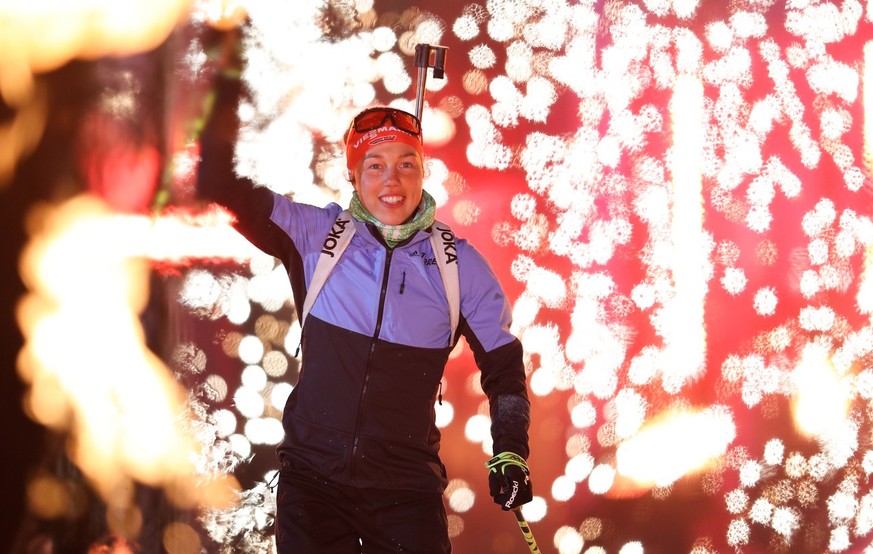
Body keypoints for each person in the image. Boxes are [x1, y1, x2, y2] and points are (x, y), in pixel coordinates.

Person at [197, 71, 533, 553]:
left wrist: (511, 453)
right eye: (373, 166)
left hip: (406, 493)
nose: (391, 181)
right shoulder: (315, 237)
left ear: (423, 172)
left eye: (405, 165)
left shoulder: (460, 268)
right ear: (352, 176)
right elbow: (218, 185)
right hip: (313, 486)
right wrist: (222, 87)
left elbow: (505, 372)